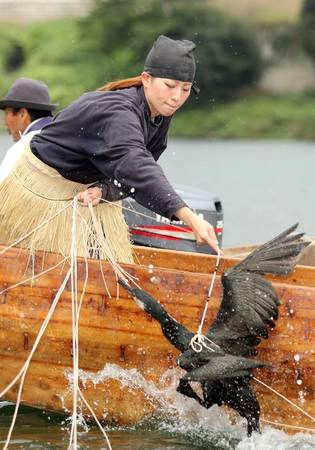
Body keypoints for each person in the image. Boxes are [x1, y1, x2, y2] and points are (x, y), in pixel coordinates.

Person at [0, 35, 219, 262]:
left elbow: (132, 175)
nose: (176, 97)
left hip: (82, 192)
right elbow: (136, 165)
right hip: (42, 191)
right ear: (146, 79)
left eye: (185, 89)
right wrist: (189, 217)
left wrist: (104, 191)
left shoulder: (160, 112)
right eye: (170, 86)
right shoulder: (119, 112)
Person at [0, 77, 57, 182]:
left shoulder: (23, 148)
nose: (5, 122)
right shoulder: (64, 136)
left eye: (7, 113)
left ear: (22, 114)